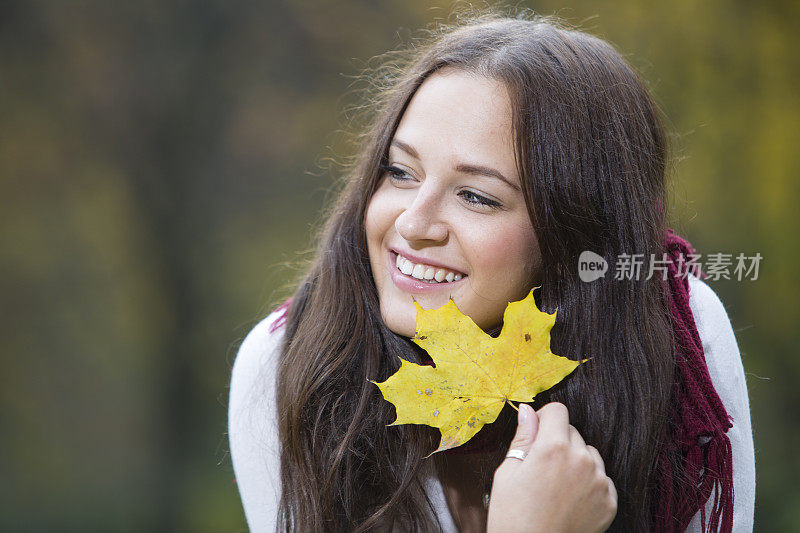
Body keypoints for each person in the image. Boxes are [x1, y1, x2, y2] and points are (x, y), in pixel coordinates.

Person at [228, 12, 755, 532]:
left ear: (573, 232)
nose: (413, 224)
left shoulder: (679, 341)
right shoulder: (287, 367)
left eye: (476, 196)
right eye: (400, 171)